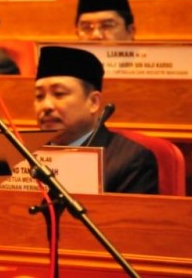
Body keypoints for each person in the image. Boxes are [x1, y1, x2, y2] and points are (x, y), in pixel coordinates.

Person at [34, 45, 158, 194]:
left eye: (59, 94)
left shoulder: (131, 160)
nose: (46, 106)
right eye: (39, 96)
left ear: (93, 102)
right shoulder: (23, 156)